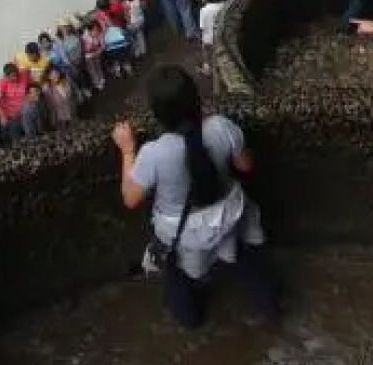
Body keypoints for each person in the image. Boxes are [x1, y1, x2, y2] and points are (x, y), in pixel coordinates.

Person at [111, 66, 279, 329]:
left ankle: (190, 320)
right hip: (230, 216)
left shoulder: (153, 153)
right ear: (195, 99)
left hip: (183, 232)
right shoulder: (222, 127)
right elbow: (246, 166)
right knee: (245, 257)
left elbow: (131, 199)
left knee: (177, 277)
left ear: (158, 114)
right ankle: (269, 307)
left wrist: (127, 150)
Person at [0, 62, 33, 145]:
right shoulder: (1, 83)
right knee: (16, 138)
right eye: (12, 77)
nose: (15, 78)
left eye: (16, 75)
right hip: (12, 114)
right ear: (6, 76)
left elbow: (29, 72)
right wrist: (2, 116)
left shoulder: (23, 74)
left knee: (30, 133)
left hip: (24, 110)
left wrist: (31, 94)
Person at [43, 67, 76, 131]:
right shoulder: (47, 88)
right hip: (59, 116)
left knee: (73, 127)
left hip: (71, 111)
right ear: (48, 77)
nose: (54, 76)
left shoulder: (66, 82)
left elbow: (71, 95)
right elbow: (49, 105)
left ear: (59, 74)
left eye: (56, 73)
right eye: (51, 74)